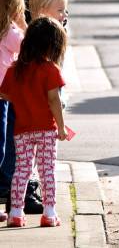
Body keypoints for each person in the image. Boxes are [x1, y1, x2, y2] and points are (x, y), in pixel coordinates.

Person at [0, 0, 58, 214]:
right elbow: (54, 16)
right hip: (32, 61)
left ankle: (7, 185)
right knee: (30, 129)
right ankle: (25, 191)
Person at [0, 17, 68, 228]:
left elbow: (4, 94)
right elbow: (54, 99)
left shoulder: (15, 69)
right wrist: (62, 126)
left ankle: (16, 213)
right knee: (47, 169)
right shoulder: (50, 70)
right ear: (51, 45)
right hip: (47, 128)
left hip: (22, 129)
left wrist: (23, 98)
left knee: (22, 170)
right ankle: (49, 212)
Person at [0, 0, 27, 224]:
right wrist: (23, 23)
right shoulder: (10, 32)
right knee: (0, 148)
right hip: (1, 95)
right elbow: (30, 47)